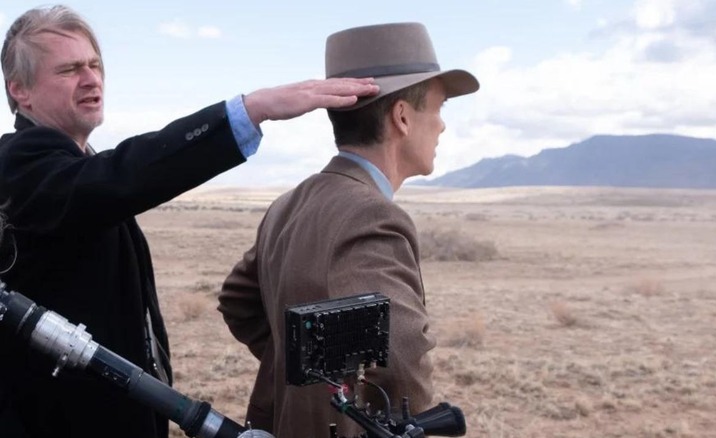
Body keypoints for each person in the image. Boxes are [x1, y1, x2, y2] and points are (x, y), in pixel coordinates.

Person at [0, 5, 378, 438]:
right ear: (21, 91)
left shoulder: (72, 164)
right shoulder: (21, 163)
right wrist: (250, 111)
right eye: (69, 70)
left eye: (94, 64)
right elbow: (119, 179)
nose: (91, 79)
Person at [218, 22, 479, 437]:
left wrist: (299, 372)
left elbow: (237, 301)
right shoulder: (373, 217)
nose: (443, 125)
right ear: (402, 117)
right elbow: (403, 357)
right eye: (439, 107)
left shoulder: (290, 203)